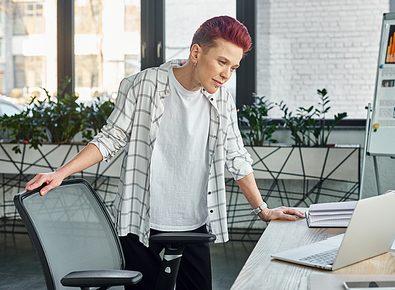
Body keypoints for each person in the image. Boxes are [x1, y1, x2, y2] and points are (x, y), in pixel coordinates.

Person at [26, 15, 305, 290]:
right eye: (222, 62)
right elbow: (111, 138)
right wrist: (60, 173)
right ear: (196, 52)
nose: (226, 74)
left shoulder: (222, 100)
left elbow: (236, 156)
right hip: (140, 220)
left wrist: (263, 210)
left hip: (194, 223)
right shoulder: (143, 84)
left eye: (233, 67)